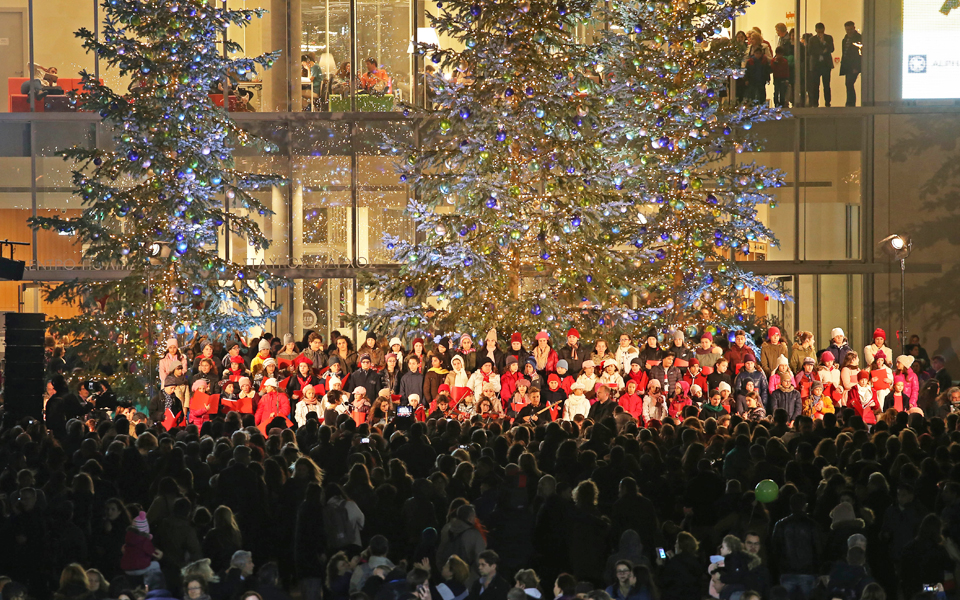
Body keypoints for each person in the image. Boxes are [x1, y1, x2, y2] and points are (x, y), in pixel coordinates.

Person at [810, 23, 834, 107]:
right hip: (816, 64)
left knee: (826, 84)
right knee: (815, 85)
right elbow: (810, 50)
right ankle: (815, 103)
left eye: (822, 31)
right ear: (816, 30)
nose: (820, 33)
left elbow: (832, 49)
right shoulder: (812, 39)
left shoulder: (828, 38)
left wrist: (824, 43)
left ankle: (828, 102)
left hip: (826, 64)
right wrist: (820, 52)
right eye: (819, 31)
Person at [839, 21, 862, 107]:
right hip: (847, 65)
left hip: (854, 65)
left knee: (849, 83)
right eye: (847, 29)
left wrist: (856, 66)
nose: (849, 31)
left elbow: (858, 54)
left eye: (850, 29)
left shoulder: (858, 38)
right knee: (848, 83)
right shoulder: (845, 39)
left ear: (854, 28)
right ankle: (850, 102)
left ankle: (851, 102)